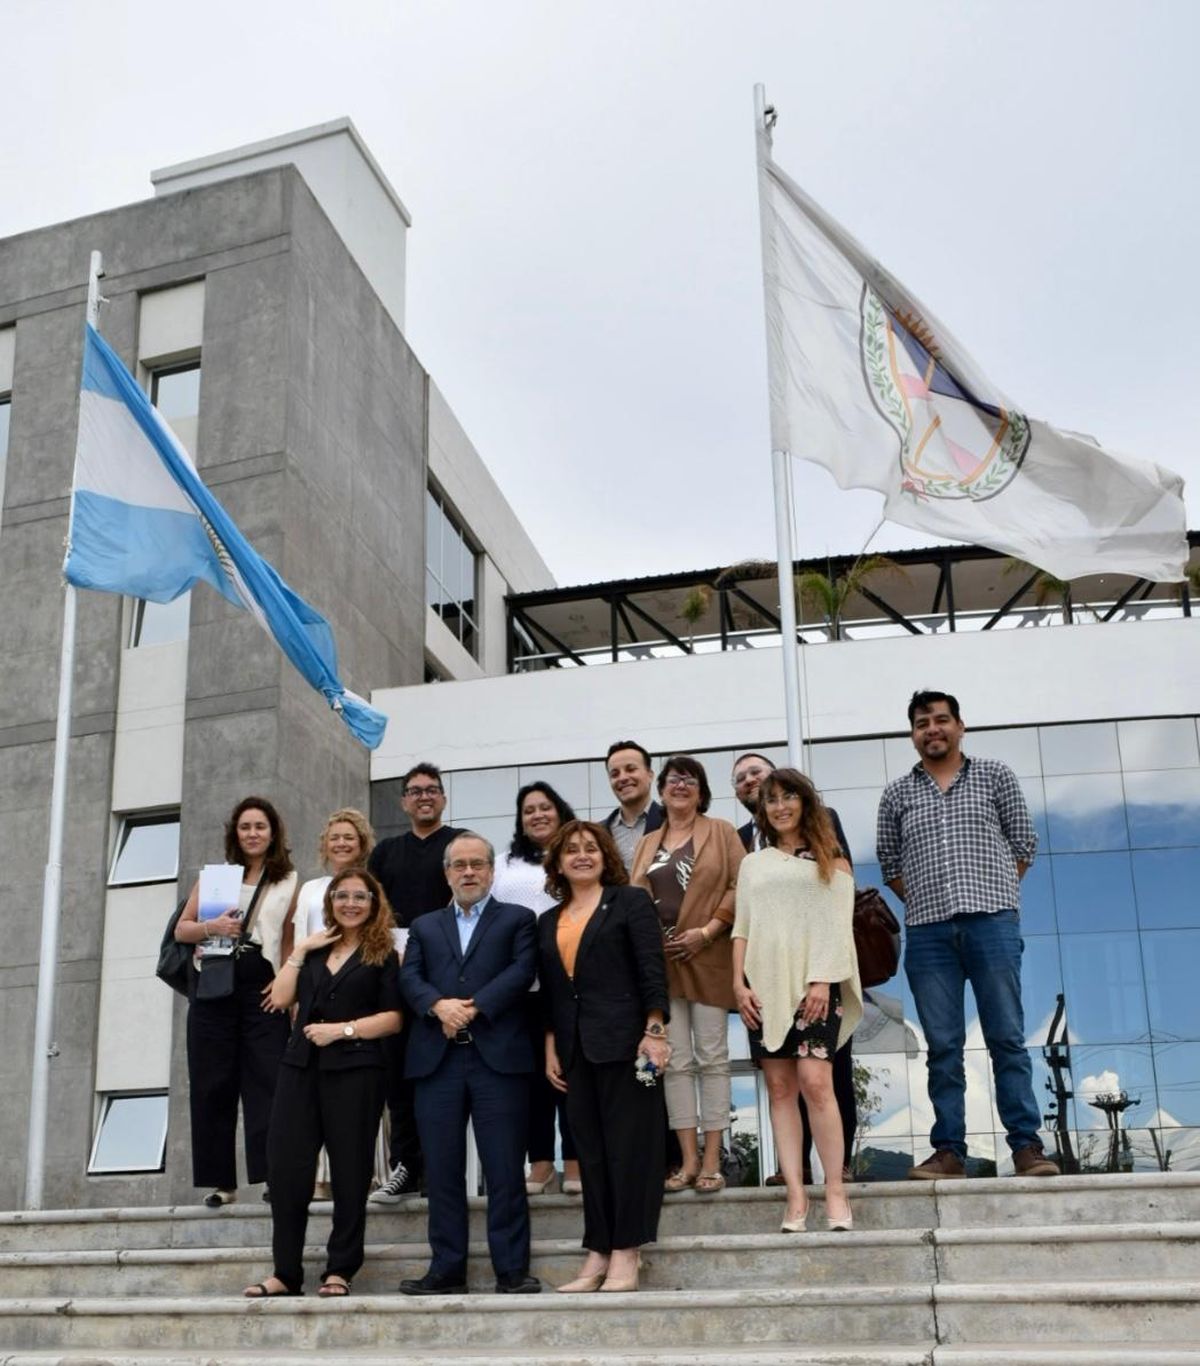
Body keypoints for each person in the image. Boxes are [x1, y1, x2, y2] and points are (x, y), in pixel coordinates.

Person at [876, 689, 1059, 1180]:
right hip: (928, 933)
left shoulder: (995, 775)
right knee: (942, 1048)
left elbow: (1024, 843)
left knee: (1007, 1039)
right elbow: (890, 863)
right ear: (912, 734)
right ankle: (949, 1153)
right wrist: (925, 902)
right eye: (922, 723)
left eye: (941, 720)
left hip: (992, 924)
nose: (932, 729)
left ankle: (1026, 1147)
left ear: (960, 726)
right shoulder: (897, 794)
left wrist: (995, 894)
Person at [244, 868, 402, 1298]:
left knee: (350, 1172)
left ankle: (341, 1269)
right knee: (286, 1170)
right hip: (299, 1067)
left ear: (374, 903)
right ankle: (285, 1273)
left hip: (356, 1071)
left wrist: (342, 1031)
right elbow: (280, 999)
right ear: (330, 901)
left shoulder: (383, 953)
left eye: (360, 896)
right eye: (342, 895)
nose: (350, 903)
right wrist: (300, 951)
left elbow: (394, 1018)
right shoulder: (315, 951)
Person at [398, 832, 541, 1295]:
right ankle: (447, 1270)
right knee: (441, 1172)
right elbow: (410, 977)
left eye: (477, 864)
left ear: (491, 871)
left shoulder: (518, 919)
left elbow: (521, 971)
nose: (468, 872)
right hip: (437, 1063)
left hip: (497, 1059)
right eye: (459, 865)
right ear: (447, 873)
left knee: (504, 1169)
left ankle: (512, 1270)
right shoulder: (424, 926)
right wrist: (438, 1006)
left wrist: (473, 1007)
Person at [539, 821, 671, 1293]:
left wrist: (655, 1031)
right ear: (558, 862)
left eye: (590, 848)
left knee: (630, 1150)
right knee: (590, 1154)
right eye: (571, 850)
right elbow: (552, 991)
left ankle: (627, 1251)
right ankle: (597, 1249)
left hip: (629, 1044)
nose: (582, 856)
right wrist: (551, 1044)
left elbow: (652, 968)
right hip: (575, 1049)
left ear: (605, 856)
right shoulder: (548, 920)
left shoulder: (630, 901)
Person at [732, 768, 862, 1232]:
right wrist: (738, 984)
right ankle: (795, 1195)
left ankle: (835, 1188)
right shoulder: (753, 864)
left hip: (818, 985)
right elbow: (742, 928)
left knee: (816, 1082)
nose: (780, 806)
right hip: (763, 987)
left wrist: (822, 980)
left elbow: (838, 925)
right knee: (780, 1089)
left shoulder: (832, 859)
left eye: (789, 796)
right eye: (771, 800)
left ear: (805, 801)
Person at [173, 796, 297, 1207]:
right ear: (235, 834)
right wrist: (212, 926)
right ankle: (220, 1184)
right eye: (245, 827)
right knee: (211, 1085)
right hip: (214, 987)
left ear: (273, 832)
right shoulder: (217, 878)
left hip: (263, 987)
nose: (252, 834)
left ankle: (273, 1176)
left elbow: (289, 942)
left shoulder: (288, 880)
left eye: (260, 826)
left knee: (269, 1083)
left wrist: (287, 990)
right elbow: (181, 930)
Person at [630, 755, 743, 1194]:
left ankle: (713, 1159)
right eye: (673, 779)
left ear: (702, 792)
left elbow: (740, 884)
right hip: (662, 965)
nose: (680, 785)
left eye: (690, 780)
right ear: (661, 791)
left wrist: (709, 930)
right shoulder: (648, 841)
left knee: (712, 1058)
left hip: (709, 956)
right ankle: (688, 1160)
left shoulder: (722, 832)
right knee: (673, 1063)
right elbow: (635, 897)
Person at [368, 762, 464, 1204]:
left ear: (443, 798)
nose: (424, 797)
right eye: (415, 791)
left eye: (432, 790)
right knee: (399, 1072)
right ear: (404, 801)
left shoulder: (460, 844)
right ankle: (406, 1167)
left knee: (445, 1074)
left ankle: (441, 1169)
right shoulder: (386, 852)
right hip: (395, 973)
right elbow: (374, 912)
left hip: (449, 975)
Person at [279, 807, 375, 1201]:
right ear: (325, 844)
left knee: (355, 1091)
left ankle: (362, 1175)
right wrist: (295, 997)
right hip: (314, 993)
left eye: (349, 837)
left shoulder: (372, 884)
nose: (341, 843)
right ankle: (318, 1177)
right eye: (335, 837)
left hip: (359, 990)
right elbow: (297, 939)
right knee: (312, 1090)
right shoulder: (309, 889)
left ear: (362, 844)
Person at [492, 782, 581, 1195]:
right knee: (532, 1079)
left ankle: (576, 1163)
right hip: (520, 987)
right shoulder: (504, 864)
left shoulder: (574, 857)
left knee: (570, 1073)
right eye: (529, 810)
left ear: (559, 811)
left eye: (545, 807)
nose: (538, 815)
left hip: (569, 981)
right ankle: (541, 1163)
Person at [603, 741, 664, 871]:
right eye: (615, 774)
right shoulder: (600, 832)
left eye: (631, 769)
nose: (623, 778)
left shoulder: (672, 822)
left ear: (650, 775)